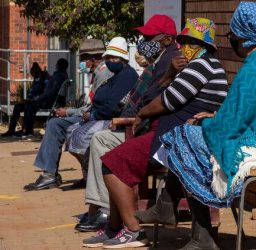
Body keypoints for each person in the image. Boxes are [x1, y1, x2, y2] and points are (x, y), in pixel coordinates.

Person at [147, 2, 256, 249]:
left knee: (183, 136)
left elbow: (232, 123)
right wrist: (212, 117)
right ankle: (180, 216)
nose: (231, 41)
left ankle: (195, 228)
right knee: (191, 136)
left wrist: (209, 121)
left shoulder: (255, 67)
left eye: (232, 35)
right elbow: (247, 111)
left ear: (242, 37)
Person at [82, 17, 228, 249]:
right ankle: (121, 224)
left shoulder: (200, 66)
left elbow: (167, 100)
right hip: (174, 136)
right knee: (114, 157)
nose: (186, 47)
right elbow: (159, 94)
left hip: (175, 138)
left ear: (204, 47)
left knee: (111, 163)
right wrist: (168, 76)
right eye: (185, 41)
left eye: (192, 42)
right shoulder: (193, 64)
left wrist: (141, 115)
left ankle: (133, 231)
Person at [77, 14, 181, 234]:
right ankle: (103, 212)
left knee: (104, 147)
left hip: (154, 133)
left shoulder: (169, 62)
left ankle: (113, 217)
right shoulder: (161, 61)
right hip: (140, 126)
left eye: (150, 37)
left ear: (167, 39)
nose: (144, 41)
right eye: (144, 36)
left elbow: (154, 99)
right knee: (99, 141)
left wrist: (136, 117)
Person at [24, 37, 138, 191]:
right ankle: (54, 173)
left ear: (92, 59)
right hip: (93, 114)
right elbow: (95, 103)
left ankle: (83, 175)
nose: (82, 63)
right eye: (108, 57)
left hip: (101, 118)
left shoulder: (108, 73)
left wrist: (70, 112)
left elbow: (106, 106)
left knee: (64, 127)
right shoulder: (106, 73)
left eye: (84, 58)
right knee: (56, 124)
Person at [16, 58, 69, 138]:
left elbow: (52, 92)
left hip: (50, 101)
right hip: (52, 100)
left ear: (58, 65)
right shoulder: (61, 75)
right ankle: (26, 130)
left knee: (31, 106)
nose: (55, 65)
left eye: (57, 64)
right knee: (29, 104)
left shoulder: (59, 76)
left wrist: (39, 98)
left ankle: (28, 131)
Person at [1, 62, 47, 137]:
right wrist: (27, 99)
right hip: (32, 101)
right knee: (17, 106)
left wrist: (33, 99)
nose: (33, 76)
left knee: (27, 107)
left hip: (39, 102)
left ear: (37, 72)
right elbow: (32, 92)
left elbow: (45, 93)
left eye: (33, 74)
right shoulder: (36, 79)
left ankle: (26, 130)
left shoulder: (44, 79)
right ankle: (11, 130)